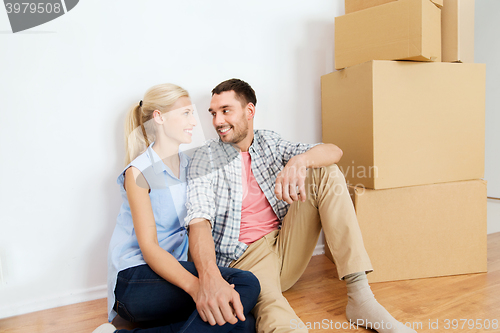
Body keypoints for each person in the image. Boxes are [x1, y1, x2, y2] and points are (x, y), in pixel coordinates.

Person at [185, 79, 418, 333]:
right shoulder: (205, 157)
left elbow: (333, 151)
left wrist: (301, 161)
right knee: (275, 313)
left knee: (325, 172)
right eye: (213, 113)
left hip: (286, 243)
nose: (217, 121)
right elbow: (198, 222)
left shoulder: (269, 143)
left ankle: (361, 298)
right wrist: (209, 278)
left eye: (226, 110)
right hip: (246, 257)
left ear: (249, 111)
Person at [93, 83, 260, 333]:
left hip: (172, 274)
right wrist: (199, 287)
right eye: (186, 114)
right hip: (134, 282)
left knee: (243, 322)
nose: (194, 121)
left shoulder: (191, 164)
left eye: (193, 113)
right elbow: (149, 249)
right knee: (243, 289)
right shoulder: (138, 173)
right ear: (159, 117)